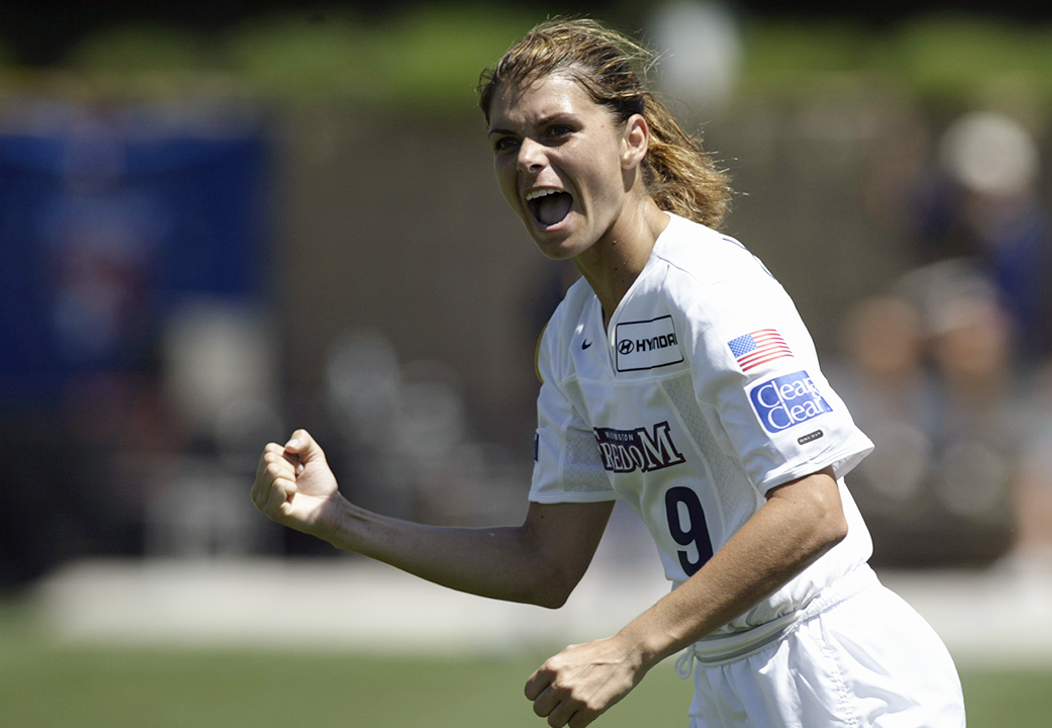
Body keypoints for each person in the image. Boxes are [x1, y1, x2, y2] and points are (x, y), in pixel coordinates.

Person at [251, 19, 964, 728]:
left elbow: (814, 507)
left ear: (633, 139)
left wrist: (630, 648)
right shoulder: (572, 334)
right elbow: (545, 563)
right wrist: (342, 520)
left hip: (835, 672)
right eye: (506, 142)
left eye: (557, 131)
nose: (528, 158)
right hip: (727, 678)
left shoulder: (707, 287)